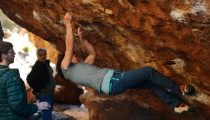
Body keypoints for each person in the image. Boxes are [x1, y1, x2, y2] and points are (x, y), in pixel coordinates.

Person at [57, 12, 195, 114]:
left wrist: (83, 40)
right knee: (148, 71)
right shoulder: (65, 68)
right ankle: (179, 89)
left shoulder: (81, 67)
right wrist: (68, 25)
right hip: (114, 82)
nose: (74, 55)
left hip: (115, 81)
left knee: (151, 84)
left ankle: (177, 104)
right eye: (72, 56)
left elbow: (92, 54)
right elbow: (69, 47)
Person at [0, 41, 49, 120]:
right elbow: (17, 106)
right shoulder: (10, 77)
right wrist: (37, 107)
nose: (14, 53)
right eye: (11, 52)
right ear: (4, 56)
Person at [27, 48, 55, 120]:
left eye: (44, 54)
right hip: (44, 94)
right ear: (37, 55)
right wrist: (38, 89)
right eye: (41, 55)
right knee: (46, 113)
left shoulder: (45, 64)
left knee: (48, 112)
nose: (43, 56)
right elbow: (30, 79)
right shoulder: (38, 65)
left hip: (48, 93)